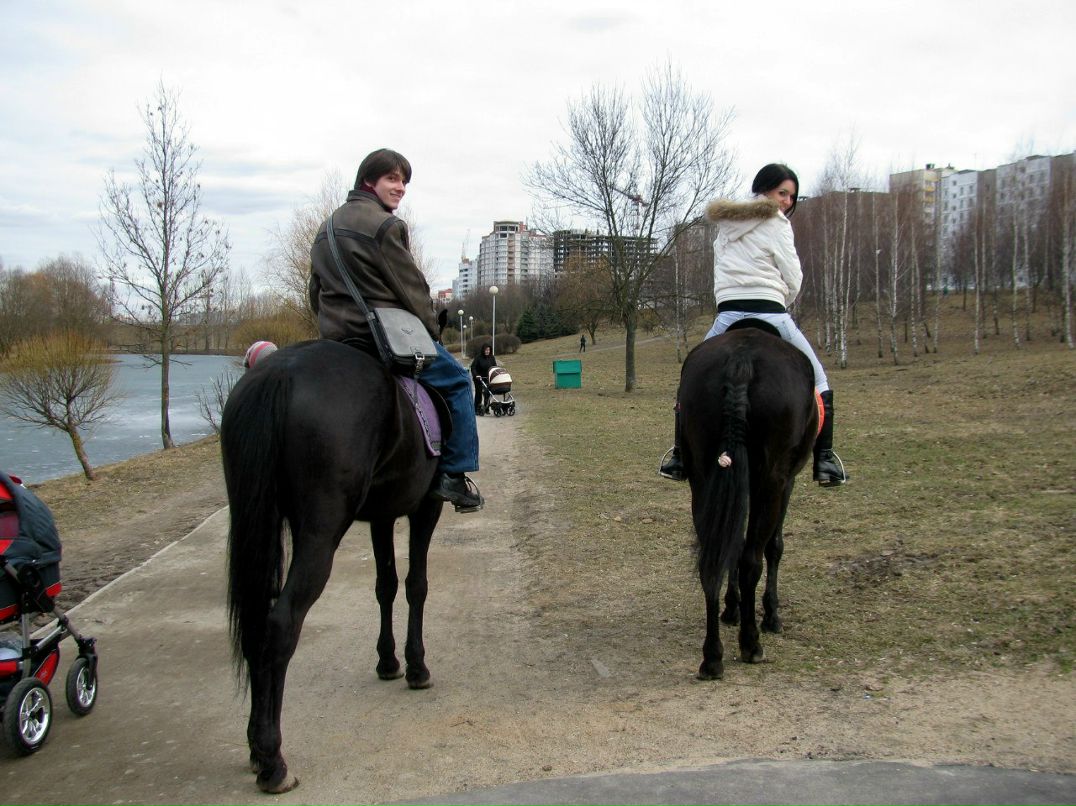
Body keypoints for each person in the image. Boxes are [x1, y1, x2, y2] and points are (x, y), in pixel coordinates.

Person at [308, 148, 483, 511]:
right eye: (392, 178)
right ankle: (454, 474)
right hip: (382, 341)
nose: (400, 187)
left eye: (404, 181)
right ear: (368, 181)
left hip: (338, 343)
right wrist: (432, 329)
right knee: (457, 381)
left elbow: (316, 292)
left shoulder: (324, 230)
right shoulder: (386, 225)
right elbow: (412, 289)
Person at [659, 163, 847, 487]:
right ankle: (826, 459)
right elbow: (794, 276)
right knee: (820, 379)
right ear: (764, 190)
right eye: (782, 193)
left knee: (689, 375)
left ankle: (678, 455)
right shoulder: (778, 223)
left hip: (728, 313)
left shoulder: (725, 224)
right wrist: (783, 297)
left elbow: (721, 271)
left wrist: (730, 296)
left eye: (791, 196)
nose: (787, 201)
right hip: (771, 311)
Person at [470, 344, 497, 416]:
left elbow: (495, 367)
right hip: (479, 378)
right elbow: (473, 367)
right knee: (478, 393)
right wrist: (476, 375)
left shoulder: (492, 357)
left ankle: (486, 408)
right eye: (486, 350)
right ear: (483, 350)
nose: (487, 351)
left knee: (487, 392)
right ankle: (476, 409)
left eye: (488, 350)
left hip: (488, 378)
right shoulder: (478, 358)